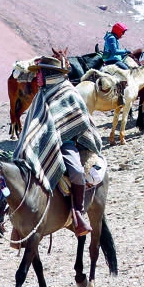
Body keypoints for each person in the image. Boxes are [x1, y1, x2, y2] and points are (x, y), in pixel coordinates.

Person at [14, 55, 103, 236]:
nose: (36, 77)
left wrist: (56, 136)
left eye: (39, 73)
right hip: (44, 144)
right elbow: (35, 124)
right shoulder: (41, 94)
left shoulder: (67, 92)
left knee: (77, 172)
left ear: (49, 73)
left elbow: (79, 119)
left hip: (66, 143)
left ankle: (77, 211)